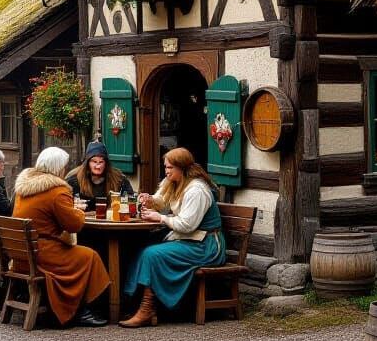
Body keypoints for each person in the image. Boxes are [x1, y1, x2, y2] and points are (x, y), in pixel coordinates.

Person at [119, 147, 226, 328]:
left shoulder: (196, 190)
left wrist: (160, 218)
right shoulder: (174, 182)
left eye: (170, 168)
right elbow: (162, 200)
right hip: (190, 240)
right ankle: (133, 302)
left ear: (182, 168)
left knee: (152, 254)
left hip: (206, 246)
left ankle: (148, 309)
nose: (166, 171)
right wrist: (150, 200)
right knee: (140, 248)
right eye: (166, 167)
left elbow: (187, 225)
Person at [12, 148, 110, 328]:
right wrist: (78, 211)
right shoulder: (57, 191)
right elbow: (74, 225)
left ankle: (71, 305)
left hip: (22, 254)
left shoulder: (24, 186)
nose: (66, 170)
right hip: (42, 255)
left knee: (83, 253)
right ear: (58, 168)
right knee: (90, 256)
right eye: (65, 166)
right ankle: (81, 309)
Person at [66, 140, 131, 211]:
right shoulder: (75, 179)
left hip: (110, 218)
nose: (98, 166)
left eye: (101, 162)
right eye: (94, 161)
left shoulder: (119, 178)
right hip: (83, 219)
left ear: (106, 163)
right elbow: (66, 203)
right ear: (87, 163)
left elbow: (129, 198)